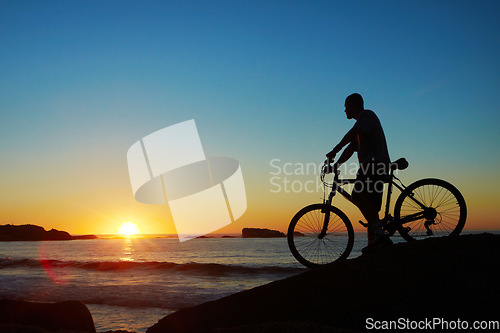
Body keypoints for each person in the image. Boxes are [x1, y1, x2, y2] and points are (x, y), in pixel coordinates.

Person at [326, 93, 392, 253]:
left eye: (346, 107)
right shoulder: (363, 127)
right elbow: (351, 147)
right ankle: (374, 244)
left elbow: (351, 135)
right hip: (375, 167)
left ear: (353, 105)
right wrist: (337, 165)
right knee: (371, 210)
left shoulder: (367, 116)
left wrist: (335, 150)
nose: (344, 111)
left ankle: (382, 237)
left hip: (373, 166)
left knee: (357, 195)